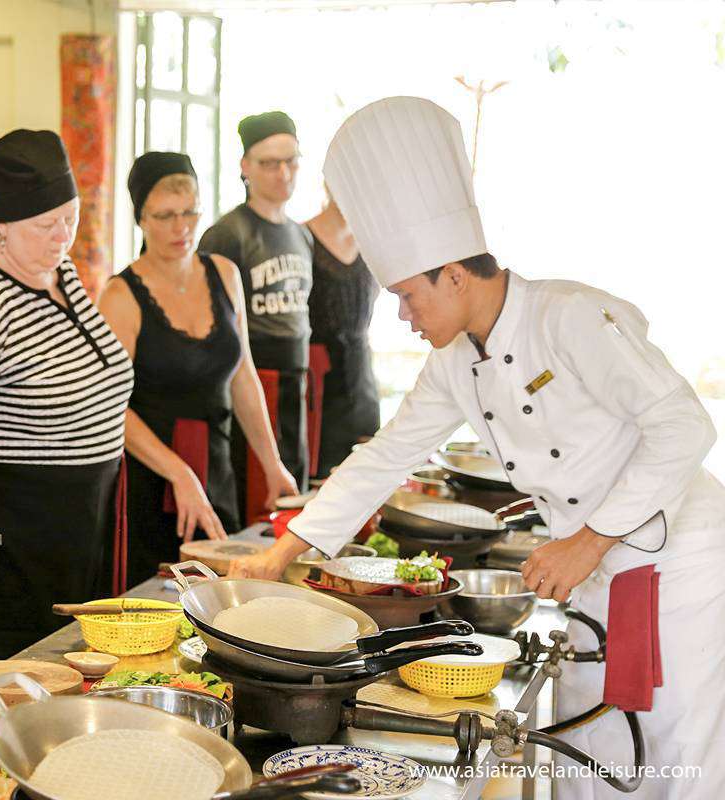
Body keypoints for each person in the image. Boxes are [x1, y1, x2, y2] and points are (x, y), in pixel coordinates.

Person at [230, 96, 725, 799]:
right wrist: (285, 551)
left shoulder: (572, 316)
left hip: (678, 566)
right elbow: (386, 455)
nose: (404, 316)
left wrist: (585, 542)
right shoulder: (455, 360)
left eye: (408, 296)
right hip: (596, 569)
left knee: (676, 756)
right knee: (592, 751)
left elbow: (687, 427)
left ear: (454, 275)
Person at [0, 130, 134, 657]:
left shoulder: (57, 270)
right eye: (46, 224)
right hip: (19, 526)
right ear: (0, 224)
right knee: (30, 665)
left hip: (77, 517)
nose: (62, 235)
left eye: (70, 217)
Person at [99, 152, 299, 588]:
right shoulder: (120, 296)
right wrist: (178, 472)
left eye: (190, 212)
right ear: (141, 219)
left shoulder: (224, 274)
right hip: (149, 476)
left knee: (220, 593)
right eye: (165, 215)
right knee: (158, 599)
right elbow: (111, 409)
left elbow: (243, 376)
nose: (181, 227)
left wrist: (272, 463)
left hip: (215, 465)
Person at [200, 111, 313, 509]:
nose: (283, 173)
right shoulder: (228, 234)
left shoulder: (301, 235)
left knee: (293, 495)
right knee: (256, 501)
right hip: (250, 382)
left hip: (294, 385)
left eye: (291, 161)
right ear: (246, 167)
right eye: (269, 163)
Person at [305, 190, 381, 477]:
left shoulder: (374, 241)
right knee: (319, 478)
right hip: (315, 381)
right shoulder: (302, 237)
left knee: (364, 474)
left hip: (361, 375)